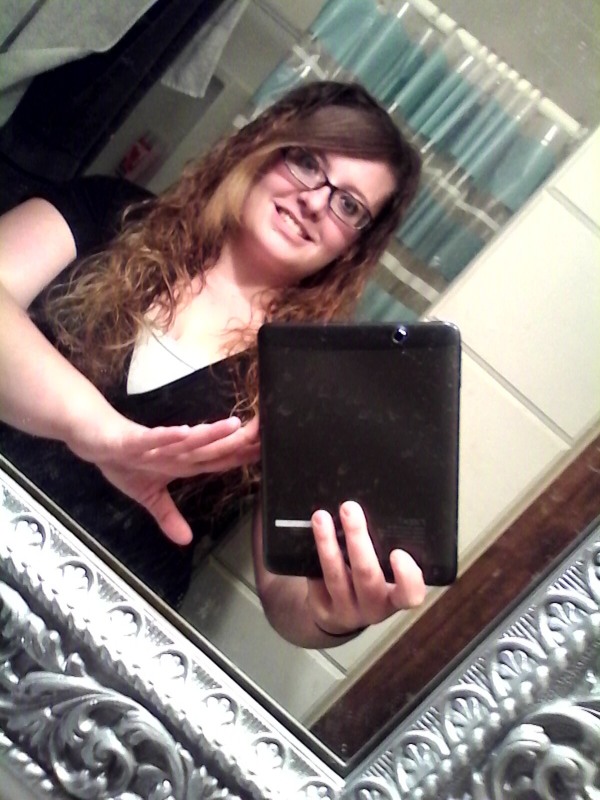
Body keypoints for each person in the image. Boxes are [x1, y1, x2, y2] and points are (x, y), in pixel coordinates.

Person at [0, 80, 426, 648]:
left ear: (355, 246)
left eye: (349, 205)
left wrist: (334, 613)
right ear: (264, 144)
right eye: (307, 163)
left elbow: (285, 592)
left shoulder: (312, 381)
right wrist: (98, 432)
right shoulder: (107, 212)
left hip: (87, 642)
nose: (314, 202)